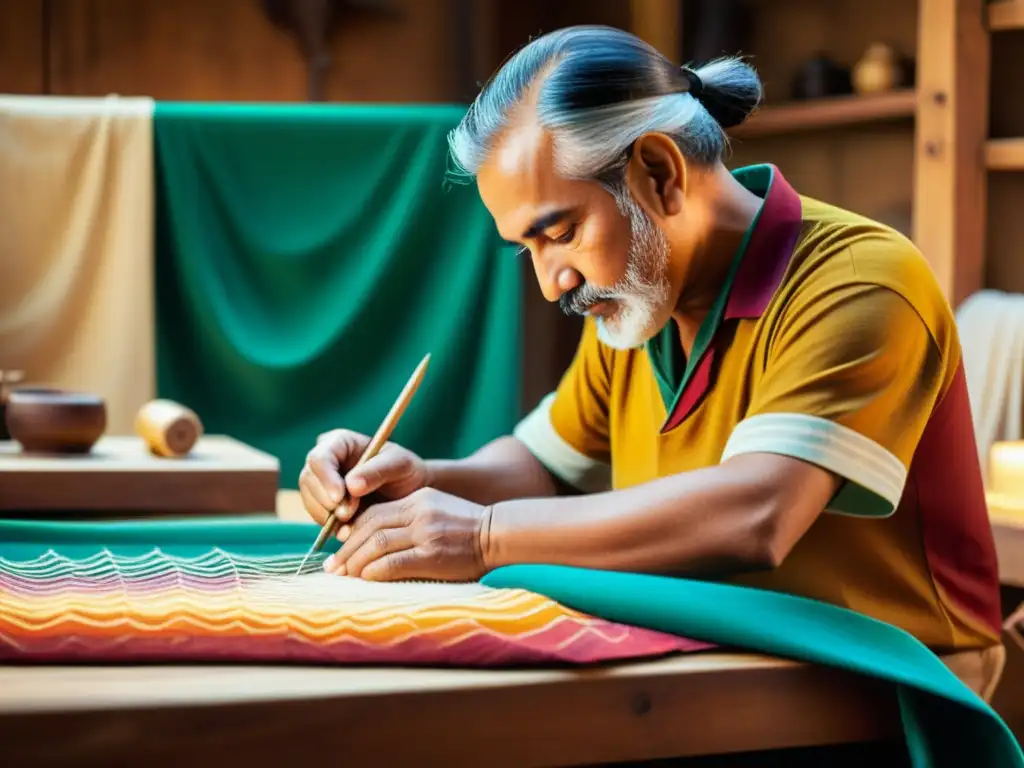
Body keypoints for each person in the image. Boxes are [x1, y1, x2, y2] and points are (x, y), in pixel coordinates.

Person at [298, 26, 1004, 697]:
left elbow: (757, 512)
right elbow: (545, 467)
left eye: (562, 233)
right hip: (722, 661)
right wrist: (420, 482)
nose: (552, 284)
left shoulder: (861, 279)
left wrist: (482, 536)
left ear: (659, 172)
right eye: (528, 249)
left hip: (886, 682)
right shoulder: (643, 300)